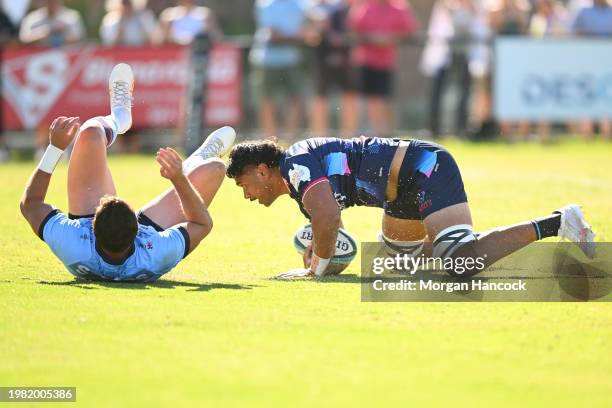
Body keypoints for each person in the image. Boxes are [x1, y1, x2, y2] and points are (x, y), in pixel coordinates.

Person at [226, 136, 595, 279]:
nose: (246, 194)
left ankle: (559, 221)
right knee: (401, 266)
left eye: (244, 184)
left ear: (262, 170)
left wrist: (315, 271)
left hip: (424, 168)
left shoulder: (295, 164)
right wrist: (318, 256)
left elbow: (329, 217)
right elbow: (326, 227)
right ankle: (462, 242)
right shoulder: (297, 183)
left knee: (459, 263)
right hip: (399, 192)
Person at [19, 64, 235, 282]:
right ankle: (198, 159)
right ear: (139, 230)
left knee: (91, 132)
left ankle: (120, 117)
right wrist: (179, 179)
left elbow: (30, 204)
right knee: (215, 168)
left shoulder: (75, 242)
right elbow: (202, 224)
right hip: (139, 252)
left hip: (99, 246)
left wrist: (55, 147)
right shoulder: (155, 253)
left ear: (91, 227)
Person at [348, 0, 418, 137]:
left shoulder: (399, 7)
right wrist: (372, 38)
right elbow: (354, 29)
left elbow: (409, 31)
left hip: (386, 62)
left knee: (383, 99)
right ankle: (376, 132)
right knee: (370, 100)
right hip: (366, 60)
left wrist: (390, 39)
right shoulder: (365, 6)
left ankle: (385, 132)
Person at [421, 0, 489, 137]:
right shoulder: (445, 5)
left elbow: (481, 25)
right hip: (446, 55)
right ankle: (434, 128)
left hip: (466, 55)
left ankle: (461, 129)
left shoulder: (476, 7)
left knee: (465, 92)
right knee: (438, 91)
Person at [249, 0, 313, 140]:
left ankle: (290, 138)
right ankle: (270, 140)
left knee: (296, 99)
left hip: (292, 61)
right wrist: (301, 36)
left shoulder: (301, 4)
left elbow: (312, 24)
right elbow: (274, 35)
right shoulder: (266, 4)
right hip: (266, 61)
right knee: (266, 100)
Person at [308, 0, 358, 138]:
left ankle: (349, 137)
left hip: (345, 61)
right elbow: (315, 22)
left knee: (349, 97)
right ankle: (319, 137)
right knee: (320, 98)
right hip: (322, 61)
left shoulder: (341, 7)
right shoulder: (312, 7)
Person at [571, 0, 612, 139]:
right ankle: (586, 135)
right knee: (586, 97)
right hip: (587, 61)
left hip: (608, 61)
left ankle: (606, 134)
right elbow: (574, 32)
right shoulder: (584, 11)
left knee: (607, 97)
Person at [19, 0, 85, 47]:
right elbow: (23, 41)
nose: (52, 2)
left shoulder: (72, 16)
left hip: (67, 60)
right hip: (37, 59)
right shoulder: (31, 18)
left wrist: (59, 38)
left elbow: (80, 39)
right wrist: (46, 34)